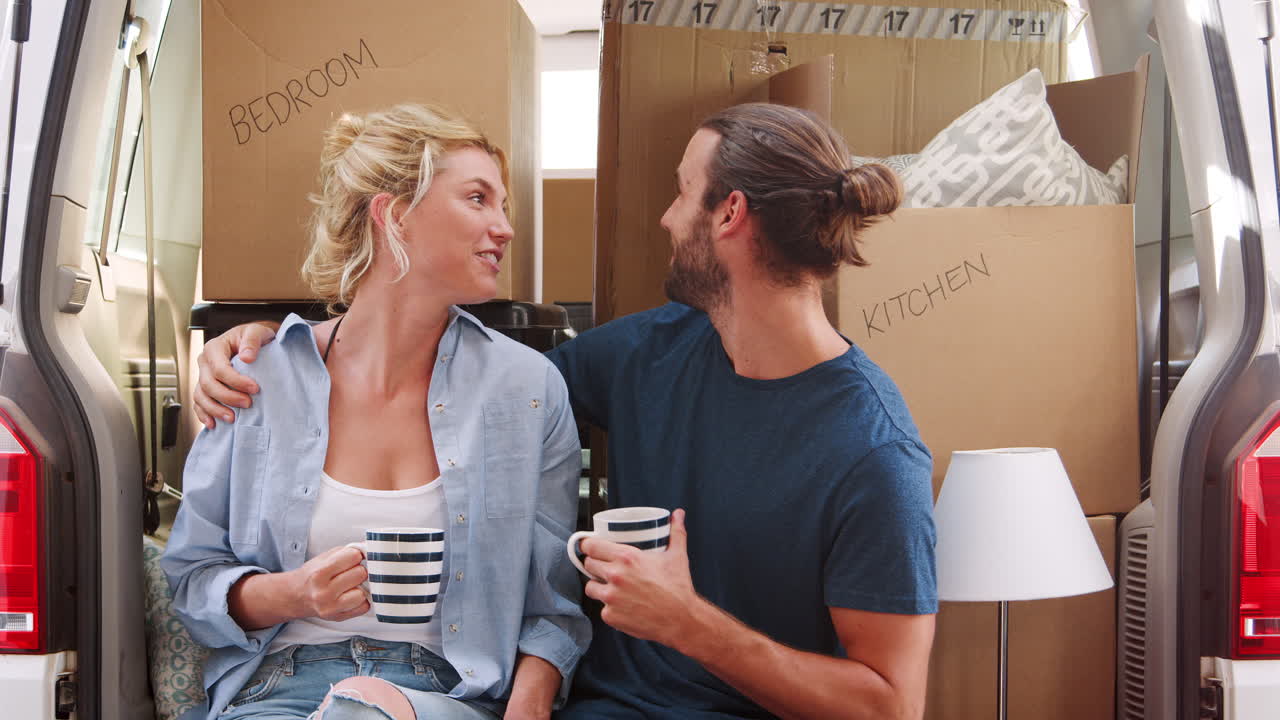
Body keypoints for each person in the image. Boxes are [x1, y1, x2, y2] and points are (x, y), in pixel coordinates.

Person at [192, 103, 937, 720]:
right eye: (478, 198)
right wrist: (260, 344)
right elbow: (476, 397)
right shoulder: (650, 353)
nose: (665, 218)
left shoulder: (871, 449)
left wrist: (692, 628)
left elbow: (890, 707)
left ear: (730, 214)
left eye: (682, 192)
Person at [163, 104, 590, 720]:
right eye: (478, 198)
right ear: (395, 215)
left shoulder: (527, 390)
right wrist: (292, 593)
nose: (504, 228)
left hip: (450, 694)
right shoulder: (256, 377)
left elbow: (554, 609)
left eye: (504, 206)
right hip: (276, 691)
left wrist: (528, 709)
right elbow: (193, 581)